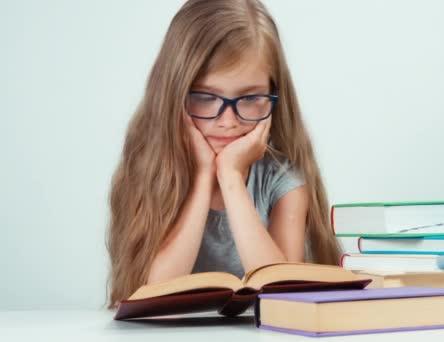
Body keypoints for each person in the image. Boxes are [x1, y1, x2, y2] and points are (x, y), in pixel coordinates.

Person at [106, 0, 342, 309]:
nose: (228, 121)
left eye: (250, 97)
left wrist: (230, 178)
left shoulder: (283, 180)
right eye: (205, 97)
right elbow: (156, 301)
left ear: (274, 94)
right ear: (173, 96)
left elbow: (281, 296)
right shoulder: (151, 171)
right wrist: (205, 177)